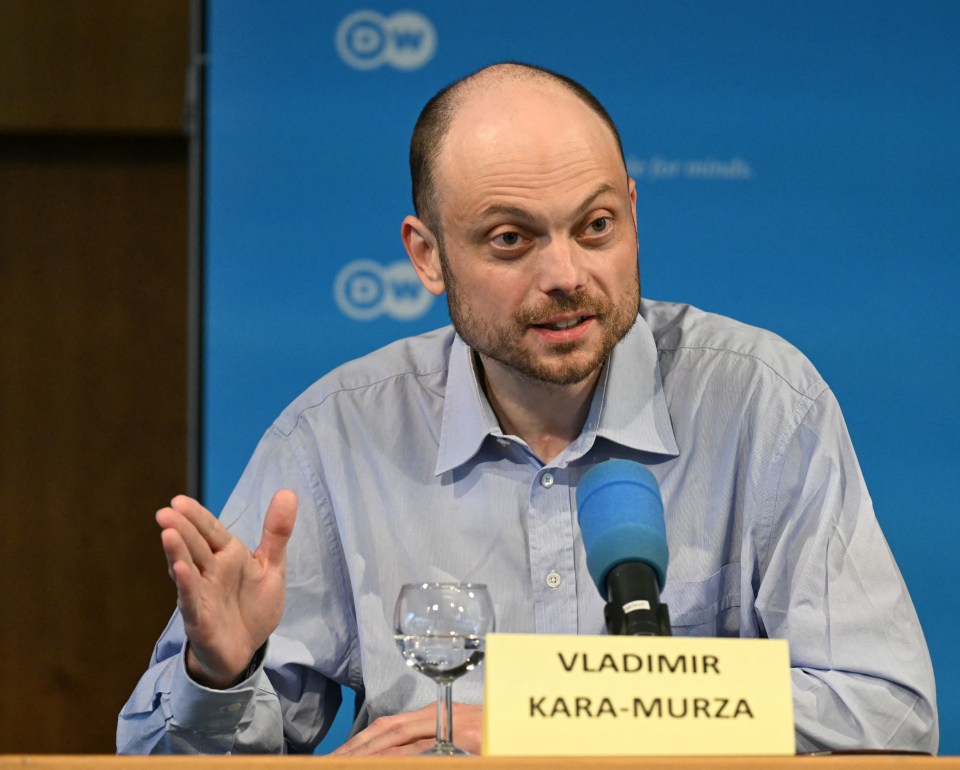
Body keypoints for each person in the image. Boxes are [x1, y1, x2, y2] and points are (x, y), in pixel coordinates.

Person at [117, 62, 938, 755]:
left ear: (633, 215)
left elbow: (888, 712)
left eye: (596, 226)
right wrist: (218, 675)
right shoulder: (338, 438)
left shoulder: (761, 403)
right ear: (427, 256)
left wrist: (528, 723)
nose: (566, 274)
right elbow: (161, 757)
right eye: (511, 239)